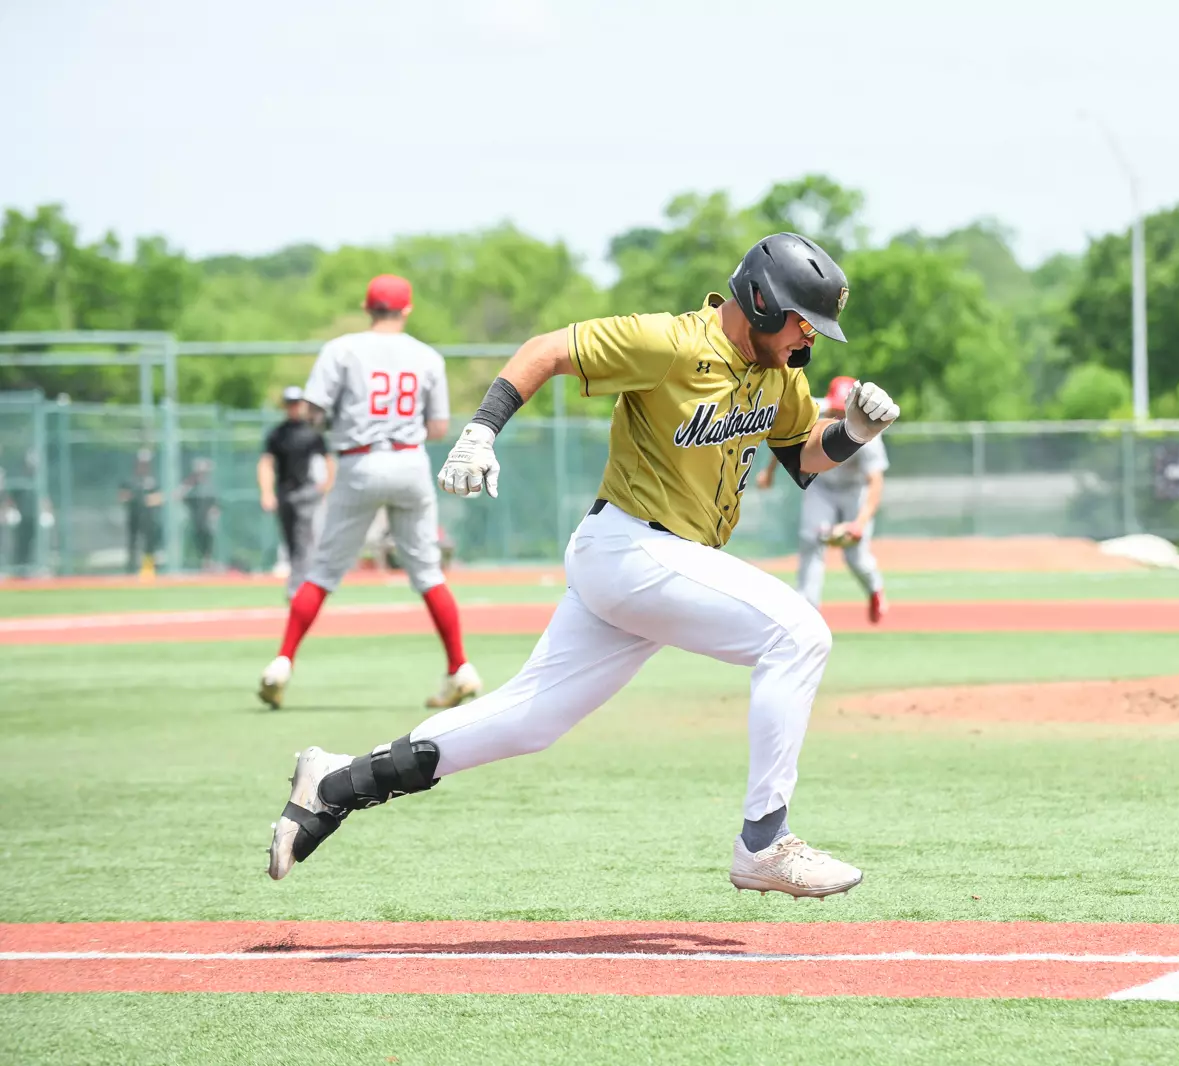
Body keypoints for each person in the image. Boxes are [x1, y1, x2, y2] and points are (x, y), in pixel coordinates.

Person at [264, 233, 900, 900]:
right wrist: (481, 429)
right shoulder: (671, 341)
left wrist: (853, 432)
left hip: (656, 566)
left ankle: (334, 782)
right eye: (805, 322)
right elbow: (547, 350)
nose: (811, 341)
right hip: (631, 549)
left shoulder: (779, 373)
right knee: (799, 632)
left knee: (526, 721)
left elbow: (801, 457)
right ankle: (765, 842)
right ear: (764, 303)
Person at [257, 275, 482, 712]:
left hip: (358, 461)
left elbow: (312, 414)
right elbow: (437, 428)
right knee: (429, 573)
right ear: (407, 310)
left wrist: (340, 420)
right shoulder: (427, 355)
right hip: (409, 461)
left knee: (322, 572)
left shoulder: (341, 349)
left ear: (367, 307)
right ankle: (460, 668)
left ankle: (282, 663)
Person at [756, 374, 889, 623]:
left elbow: (875, 482)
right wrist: (769, 472)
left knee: (855, 556)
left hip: (854, 491)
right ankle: (808, 613)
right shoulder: (814, 411)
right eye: (836, 406)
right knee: (810, 542)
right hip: (822, 487)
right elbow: (787, 440)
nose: (840, 412)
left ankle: (874, 588)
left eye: (844, 407)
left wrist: (860, 523)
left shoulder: (868, 429)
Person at [259, 386, 332, 596]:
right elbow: (266, 463)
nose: (293, 407)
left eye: (296, 403)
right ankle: (301, 583)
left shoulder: (312, 432)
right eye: (289, 403)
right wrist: (266, 492)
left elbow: (328, 460)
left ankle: (297, 590)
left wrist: (326, 485)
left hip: (307, 492)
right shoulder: (277, 434)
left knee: (303, 541)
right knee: (291, 541)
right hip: (284, 492)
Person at [119, 449, 161, 574]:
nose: (144, 466)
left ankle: (148, 568)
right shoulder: (129, 481)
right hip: (134, 515)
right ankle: (132, 567)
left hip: (149, 516)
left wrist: (148, 500)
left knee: (150, 543)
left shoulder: (153, 481)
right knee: (133, 541)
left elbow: (159, 498)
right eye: (141, 463)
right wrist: (132, 498)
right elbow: (122, 497)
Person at [182, 457, 221, 571]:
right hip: (194, 518)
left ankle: (207, 563)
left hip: (207, 519)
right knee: (195, 540)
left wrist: (214, 511)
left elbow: (215, 502)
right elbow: (179, 495)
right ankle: (195, 563)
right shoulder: (190, 484)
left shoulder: (210, 485)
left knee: (208, 539)